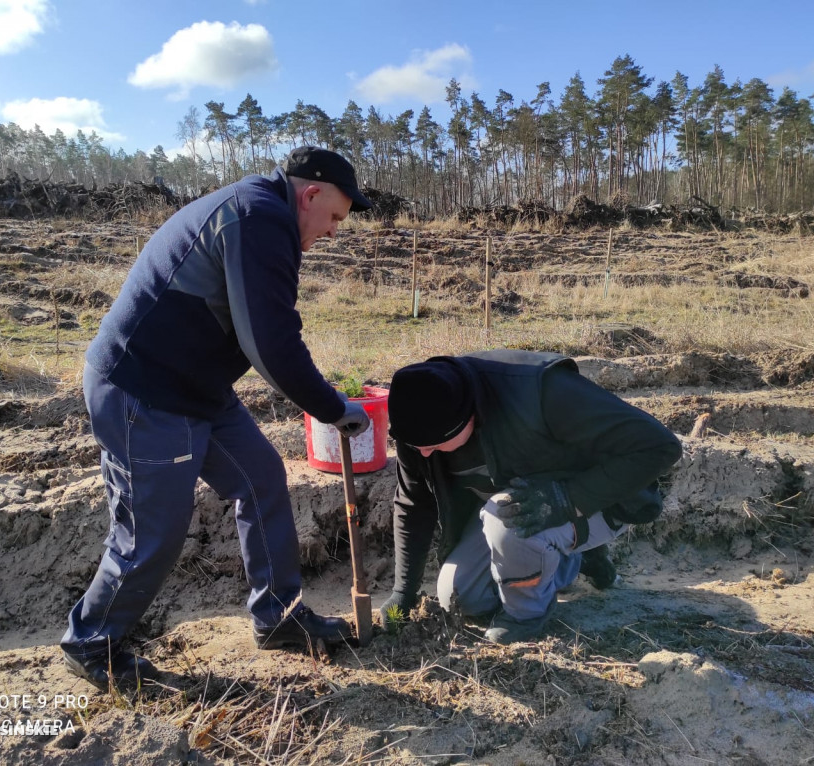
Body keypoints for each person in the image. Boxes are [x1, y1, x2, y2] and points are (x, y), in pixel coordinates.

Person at [61, 147, 373, 691]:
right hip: (144, 391)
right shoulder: (258, 217)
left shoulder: (260, 212)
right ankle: (93, 643)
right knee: (152, 531)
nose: (332, 233)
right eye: (335, 219)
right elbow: (270, 342)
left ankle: (279, 616)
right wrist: (332, 407)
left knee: (261, 478)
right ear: (312, 194)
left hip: (196, 387)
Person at [379, 349, 682, 644]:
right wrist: (403, 593)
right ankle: (570, 560)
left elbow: (660, 446)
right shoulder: (418, 423)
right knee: (461, 597)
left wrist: (568, 499)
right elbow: (412, 502)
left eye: (434, 444)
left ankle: (527, 614)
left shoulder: (541, 391)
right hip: (522, 505)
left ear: (468, 416)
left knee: (504, 517)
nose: (424, 453)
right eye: (415, 445)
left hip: (597, 500)